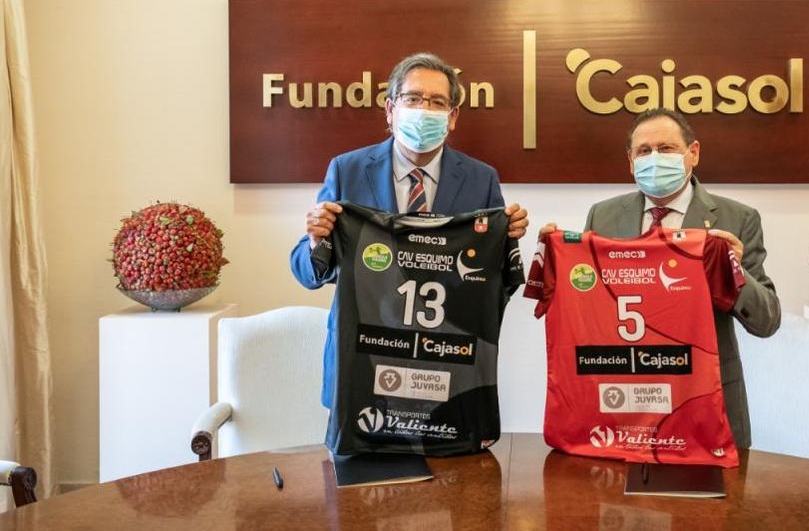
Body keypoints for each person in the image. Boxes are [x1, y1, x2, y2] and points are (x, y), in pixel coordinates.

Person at [290, 52, 529, 408]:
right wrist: (316, 241)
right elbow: (307, 273)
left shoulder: (481, 179)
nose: (424, 109)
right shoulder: (347, 170)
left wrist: (505, 242)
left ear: (452, 117)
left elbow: (492, 286)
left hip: (447, 359)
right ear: (390, 109)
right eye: (413, 98)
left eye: (437, 102)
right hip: (363, 356)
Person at [539, 108, 780, 448]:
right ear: (630, 161)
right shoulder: (603, 215)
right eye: (643, 151)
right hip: (622, 401)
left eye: (666, 148)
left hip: (706, 404)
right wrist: (557, 261)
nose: (654, 158)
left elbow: (767, 321)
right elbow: (589, 301)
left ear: (693, 153)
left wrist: (735, 272)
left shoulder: (737, 218)